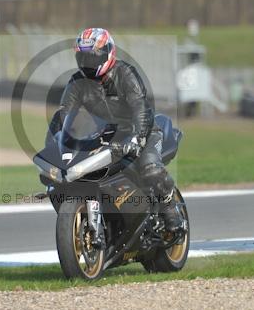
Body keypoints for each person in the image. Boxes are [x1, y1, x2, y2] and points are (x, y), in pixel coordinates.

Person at [47, 27, 183, 233]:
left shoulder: (125, 73)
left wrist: (137, 138)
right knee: (68, 177)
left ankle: (170, 207)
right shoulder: (77, 83)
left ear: (108, 53)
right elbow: (65, 114)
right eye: (82, 57)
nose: (87, 63)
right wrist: (56, 143)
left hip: (142, 131)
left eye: (93, 57)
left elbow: (140, 107)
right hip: (107, 135)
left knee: (150, 169)